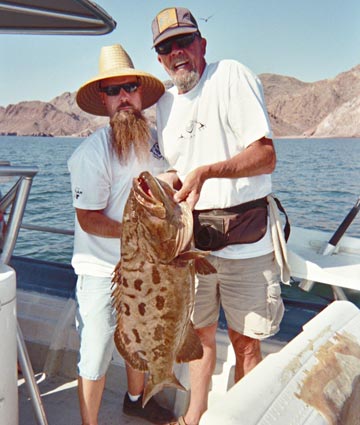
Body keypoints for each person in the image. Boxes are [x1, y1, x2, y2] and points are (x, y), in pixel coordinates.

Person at [151, 7, 287, 425]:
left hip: (247, 241)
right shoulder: (163, 105)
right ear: (158, 58)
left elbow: (266, 157)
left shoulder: (230, 76)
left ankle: (242, 418)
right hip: (192, 245)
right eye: (165, 47)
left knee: (247, 344)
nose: (176, 54)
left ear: (202, 44)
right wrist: (167, 182)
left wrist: (209, 171)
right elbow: (177, 165)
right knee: (199, 335)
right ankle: (196, 415)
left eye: (184, 42)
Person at [68, 43, 176, 425]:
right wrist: (138, 233)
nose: (123, 97)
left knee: (140, 339)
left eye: (129, 87)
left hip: (144, 268)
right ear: (104, 99)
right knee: (96, 350)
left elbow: (172, 182)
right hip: (100, 269)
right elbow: (88, 219)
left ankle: (136, 399)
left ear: (140, 92)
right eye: (113, 91)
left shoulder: (158, 141)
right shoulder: (91, 154)